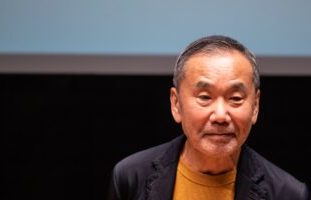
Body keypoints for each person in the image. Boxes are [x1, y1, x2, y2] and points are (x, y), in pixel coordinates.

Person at [107, 35, 309, 200]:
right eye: (205, 97)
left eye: (235, 98)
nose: (220, 115)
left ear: (255, 106)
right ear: (176, 104)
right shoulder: (131, 178)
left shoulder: (288, 194)